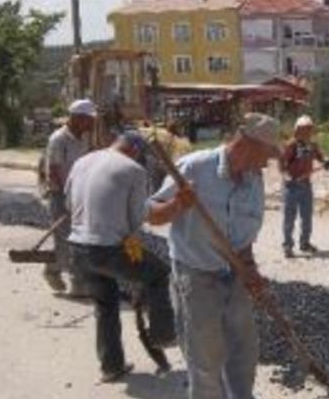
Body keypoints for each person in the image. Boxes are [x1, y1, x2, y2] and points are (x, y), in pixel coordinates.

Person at [147, 113, 278, 399]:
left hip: (234, 274)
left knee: (244, 350)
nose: (268, 162)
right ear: (246, 144)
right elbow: (151, 214)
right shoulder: (195, 167)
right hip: (196, 272)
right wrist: (177, 205)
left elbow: (243, 236)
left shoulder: (254, 179)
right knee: (205, 357)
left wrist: (250, 269)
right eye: (265, 154)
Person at [65, 131, 176, 382]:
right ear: (135, 150)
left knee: (105, 305)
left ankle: (111, 366)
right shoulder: (134, 170)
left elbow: (69, 205)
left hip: (78, 248)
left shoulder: (83, 161)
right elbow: (138, 217)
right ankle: (162, 335)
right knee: (159, 273)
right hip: (107, 249)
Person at [43, 99, 96, 294]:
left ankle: (78, 282)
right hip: (61, 194)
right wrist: (69, 196)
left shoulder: (84, 138)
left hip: (81, 194)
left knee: (81, 239)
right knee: (65, 239)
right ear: (77, 118)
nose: (91, 124)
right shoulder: (58, 139)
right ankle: (53, 269)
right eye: (89, 120)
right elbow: (54, 170)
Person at [279, 115, 329, 258]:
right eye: (305, 130)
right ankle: (288, 245)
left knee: (307, 217)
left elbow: (321, 156)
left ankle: (305, 243)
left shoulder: (312, 145)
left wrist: (326, 160)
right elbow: (281, 165)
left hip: (305, 185)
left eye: (310, 130)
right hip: (291, 187)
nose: (308, 133)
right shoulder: (290, 146)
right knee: (289, 218)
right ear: (297, 130)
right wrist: (287, 177)